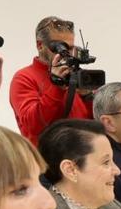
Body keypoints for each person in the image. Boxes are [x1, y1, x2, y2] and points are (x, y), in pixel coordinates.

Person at [8, 15, 94, 146]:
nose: (67, 53)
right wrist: (56, 87)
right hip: (47, 162)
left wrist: (88, 97)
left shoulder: (76, 74)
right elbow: (34, 127)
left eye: (70, 48)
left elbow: (95, 125)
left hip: (83, 158)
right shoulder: (24, 78)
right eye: (60, 47)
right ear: (40, 45)